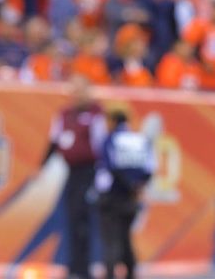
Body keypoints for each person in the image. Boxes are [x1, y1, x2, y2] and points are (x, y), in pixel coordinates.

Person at [41, 74, 107, 279]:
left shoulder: (96, 113)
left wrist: (101, 174)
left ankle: (84, 267)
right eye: (73, 90)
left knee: (84, 221)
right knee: (72, 218)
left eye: (80, 90)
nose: (76, 94)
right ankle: (73, 266)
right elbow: (54, 141)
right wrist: (41, 168)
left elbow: (101, 144)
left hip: (90, 171)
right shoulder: (65, 114)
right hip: (71, 172)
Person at [95, 109, 155, 279]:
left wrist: (127, 186)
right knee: (125, 238)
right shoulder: (141, 139)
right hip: (132, 199)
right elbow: (150, 169)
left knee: (111, 240)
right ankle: (130, 274)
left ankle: (110, 274)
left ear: (113, 121)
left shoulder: (111, 139)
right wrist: (136, 188)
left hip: (113, 196)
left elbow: (111, 167)